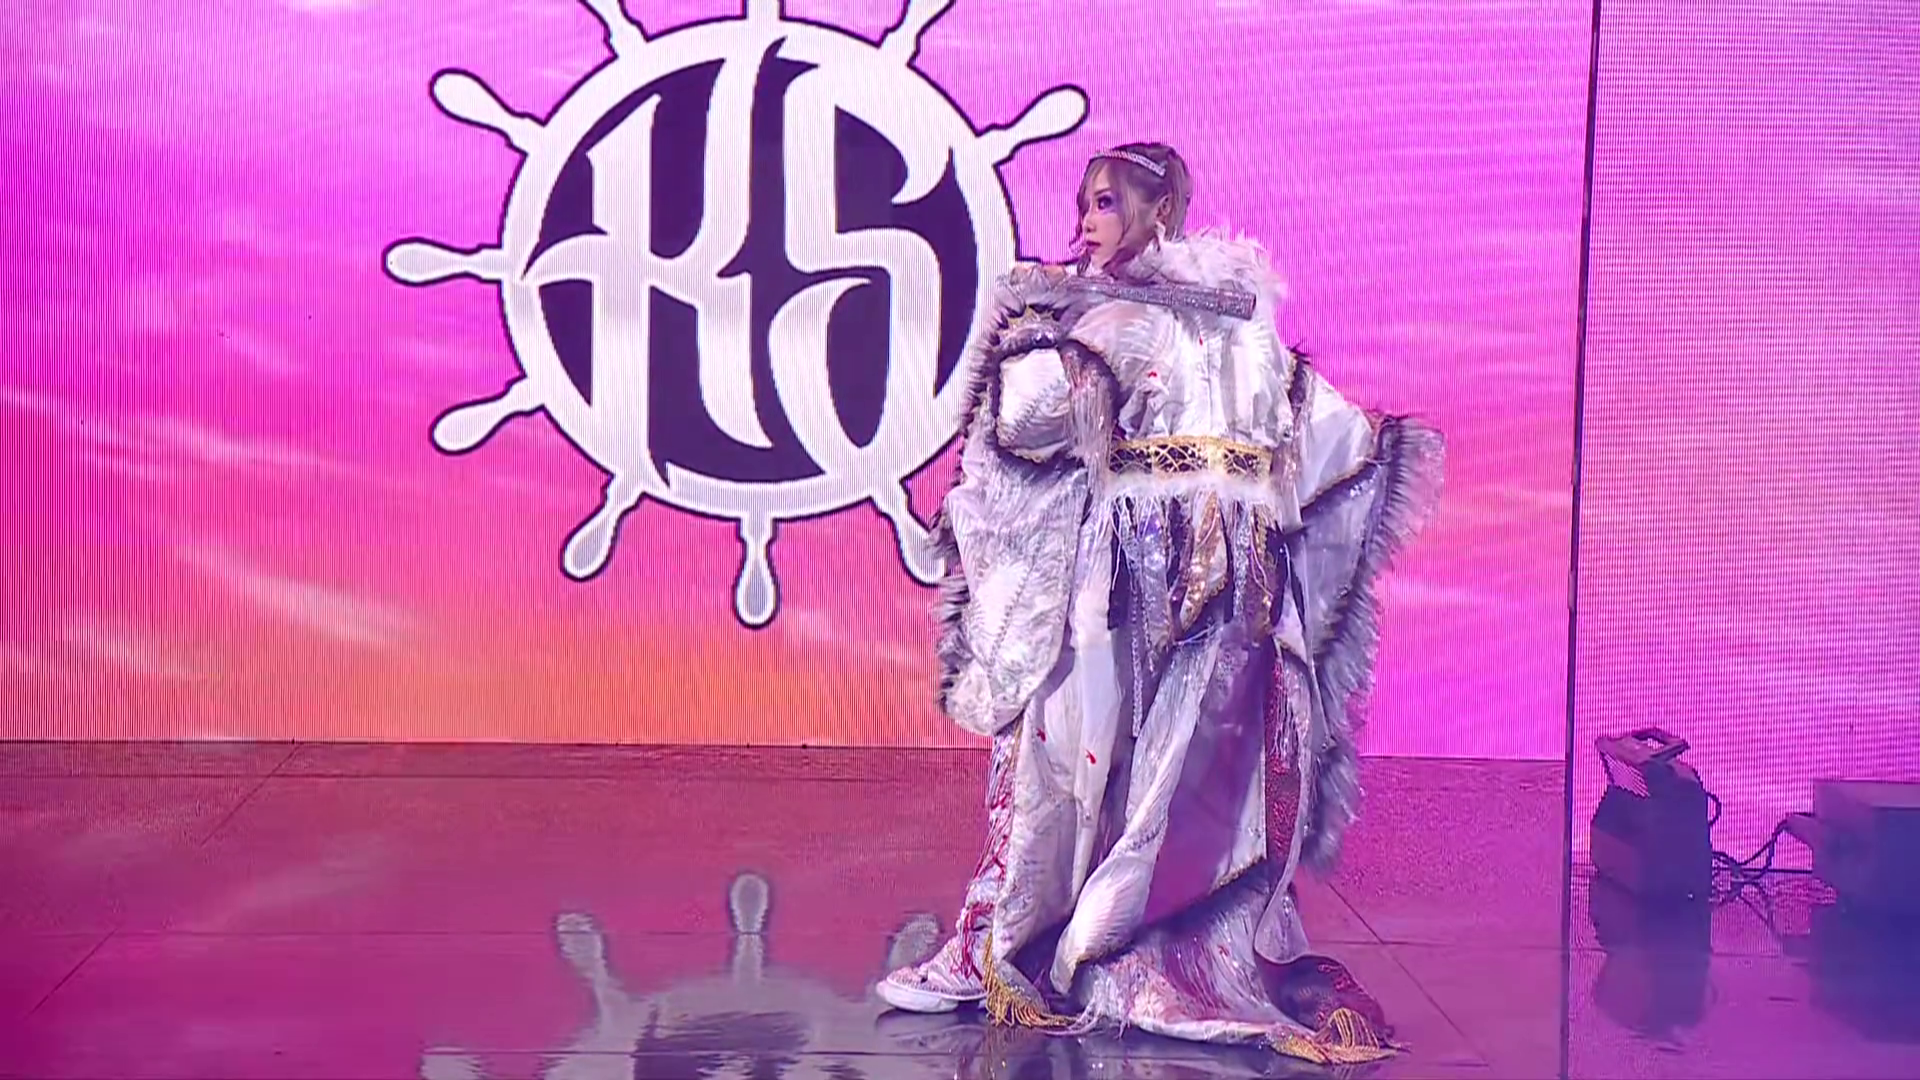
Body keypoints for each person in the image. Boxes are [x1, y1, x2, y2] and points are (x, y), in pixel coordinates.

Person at [875, 142, 1444, 1066]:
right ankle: (1091, 932)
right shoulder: (1185, 317)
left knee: (1138, 762)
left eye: (1105, 203)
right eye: (1085, 203)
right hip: (1193, 570)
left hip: (1169, 573)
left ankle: (1079, 942)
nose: (1086, 221)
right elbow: (1327, 433)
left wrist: (1036, 331)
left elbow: (1026, 420)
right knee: (1122, 757)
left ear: (1159, 212)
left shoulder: (1154, 320)